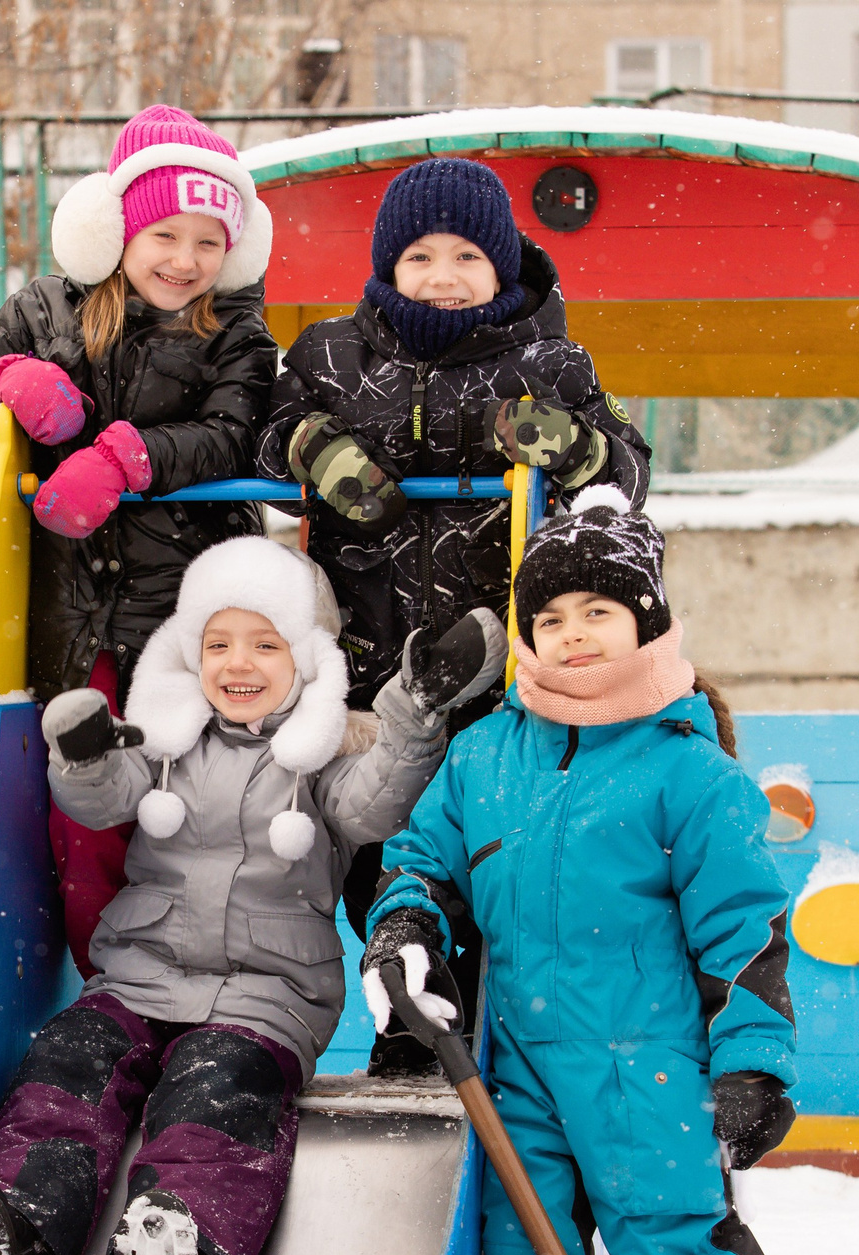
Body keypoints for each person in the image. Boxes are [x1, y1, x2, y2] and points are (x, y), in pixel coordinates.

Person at [362, 488, 818, 1255]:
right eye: (551, 614)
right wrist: (408, 929)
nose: (570, 634)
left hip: (648, 1072)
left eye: (598, 612)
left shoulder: (686, 772)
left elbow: (744, 936)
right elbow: (417, 860)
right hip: (516, 1070)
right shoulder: (485, 758)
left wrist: (752, 1063)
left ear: (648, 622)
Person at [0, 538, 504, 1255]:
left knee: (218, 1095)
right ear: (190, 653)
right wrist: (82, 751)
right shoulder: (164, 742)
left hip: (265, 994)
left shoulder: (323, 759)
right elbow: (98, 797)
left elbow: (379, 803)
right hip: (139, 972)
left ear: (306, 660)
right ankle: (19, 1232)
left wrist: (414, 710)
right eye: (220, 643)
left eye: (267, 645)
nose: (241, 663)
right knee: (69, 1064)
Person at [256, 155, 651, 1073]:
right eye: (420, 255)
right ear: (387, 267)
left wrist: (577, 445)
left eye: (467, 255)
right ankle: (410, 1014)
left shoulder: (551, 362)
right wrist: (317, 448)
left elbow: (627, 469)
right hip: (369, 663)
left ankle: (472, 1022)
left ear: (504, 267)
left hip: (499, 667)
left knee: (483, 853)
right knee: (372, 849)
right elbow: (267, 431)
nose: (442, 275)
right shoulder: (329, 356)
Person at [0, 103, 279, 977]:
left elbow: (237, 433)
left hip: (180, 613)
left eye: (210, 241)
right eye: (165, 233)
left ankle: (201, 969)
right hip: (68, 611)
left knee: (183, 801)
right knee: (84, 808)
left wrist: (129, 456)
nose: (186, 260)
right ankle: (106, 979)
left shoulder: (235, 329)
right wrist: (2, 386)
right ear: (115, 227)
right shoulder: (44, 311)